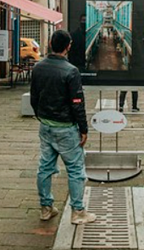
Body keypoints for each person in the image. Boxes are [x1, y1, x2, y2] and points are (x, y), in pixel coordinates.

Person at [31, 30, 97, 225]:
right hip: (66, 128)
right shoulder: (71, 71)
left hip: (45, 126)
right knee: (76, 169)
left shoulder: (38, 68)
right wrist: (83, 129)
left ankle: (46, 208)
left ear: (51, 44)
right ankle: (78, 212)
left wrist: (41, 115)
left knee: (45, 167)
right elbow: (77, 103)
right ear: (68, 46)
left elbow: (34, 97)